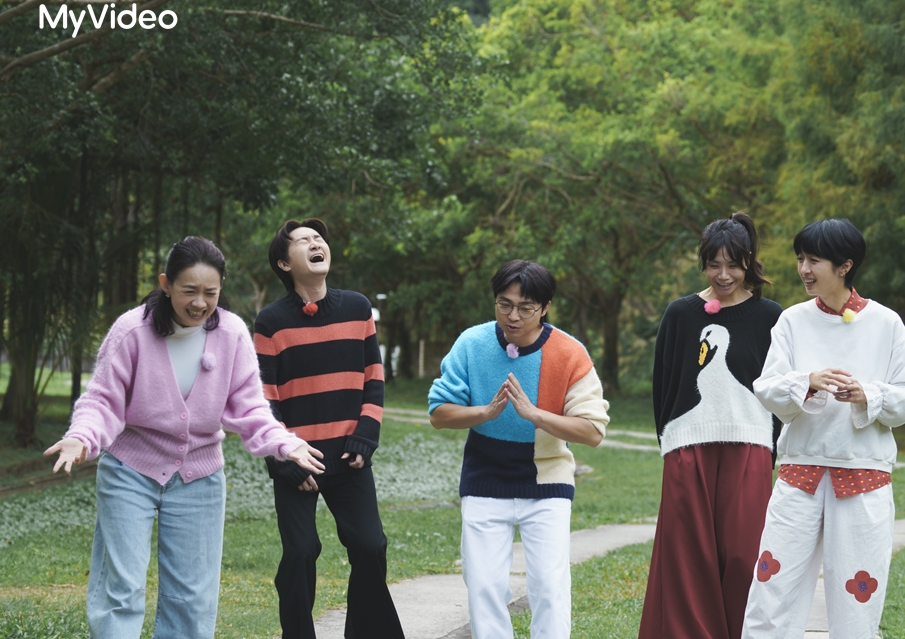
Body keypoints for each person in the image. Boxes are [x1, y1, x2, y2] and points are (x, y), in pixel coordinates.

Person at [44, 236, 325, 639]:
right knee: (121, 590)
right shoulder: (132, 331)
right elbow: (102, 399)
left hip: (200, 477)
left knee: (192, 599)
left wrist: (285, 442)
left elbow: (250, 407)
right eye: (189, 291)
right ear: (166, 284)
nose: (199, 303)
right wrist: (81, 437)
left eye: (210, 293)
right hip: (130, 470)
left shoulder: (232, 334)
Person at [742, 218, 905, 638]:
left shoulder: (886, 323)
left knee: (858, 595)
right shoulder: (791, 321)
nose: (804, 269)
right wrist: (806, 381)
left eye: (814, 260)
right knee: (773, 585)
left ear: (845, 266)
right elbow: (766, 387)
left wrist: (868, 395)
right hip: (800, 471)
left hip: (864, 473)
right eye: (800, 259)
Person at [427, 259, 610, 639]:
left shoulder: (569, 352)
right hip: (484, 479)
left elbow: (593, 431)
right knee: (484, 586)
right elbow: (439, 413)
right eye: (504, 304)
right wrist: (484, 412)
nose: (513, 316)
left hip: (547, 481)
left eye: (525, 308)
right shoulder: (472, 343)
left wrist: (535, 414)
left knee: (549, 586)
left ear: (544, 308)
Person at [253, 218, 404, 639]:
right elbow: (264, 400)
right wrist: (284, 459)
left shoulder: (357, 308)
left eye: (319, 238)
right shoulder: (270, 322)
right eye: (303, 240)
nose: (316, 243)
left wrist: (366, 435)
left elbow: (374, 378)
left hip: (349, 455)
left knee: (370, 546)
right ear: (284, 264)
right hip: (297, 460)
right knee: (301, 552)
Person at [638, 212, 783, 639]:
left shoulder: (771, 316)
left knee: (744, 554)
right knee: (687, 558)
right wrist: (670, 441)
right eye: (714, 264)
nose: (723, 275)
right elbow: (664, 384)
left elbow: (779, 386)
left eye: (733, 265)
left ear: (748, 262)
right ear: (702, 263)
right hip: (688, 449)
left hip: (751, 448)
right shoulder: (680, 314)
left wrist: (772, 445)